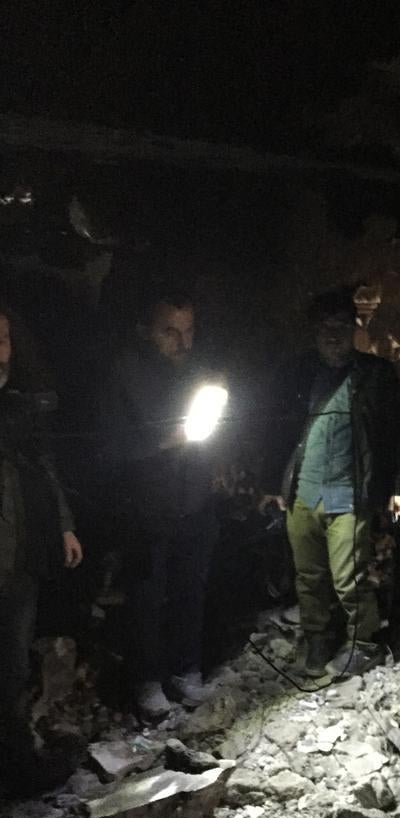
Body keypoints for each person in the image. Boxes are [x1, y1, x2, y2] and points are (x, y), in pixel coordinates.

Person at [266, 289, 400, 679]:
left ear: (354, 328)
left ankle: (364, 644)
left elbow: (396, 433)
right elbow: (276, 430)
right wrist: (273, 484)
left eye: (341, 327)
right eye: (326, 327)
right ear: (314, 331)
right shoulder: (299, 374)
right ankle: (316, 637)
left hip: (350, 492)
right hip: (303, 491)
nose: (333, 335)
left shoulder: (375, 375)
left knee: (350, 578)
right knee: (309, 575)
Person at [103, 288, 223, 718]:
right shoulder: (124, 374)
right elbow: (109, 448)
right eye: (170, 332)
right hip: (145, 509)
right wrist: (164, 441)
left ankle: (185, 670)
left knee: (191, 588)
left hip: (194, 500)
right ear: (145, 331)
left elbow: (215, 425)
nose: (182, 342)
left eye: (188, 330)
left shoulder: (199, 372)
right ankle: (147, 681)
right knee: (147, 598)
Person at [0, 302, 83, 793]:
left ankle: (16, 768)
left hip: (19, 564)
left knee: (11, 671)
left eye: (3, 338)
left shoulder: (21, 408)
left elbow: (45, 473)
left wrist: (65, 527)